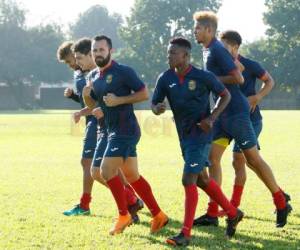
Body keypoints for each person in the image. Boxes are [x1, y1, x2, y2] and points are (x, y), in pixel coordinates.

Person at [193, 11, 291, 228]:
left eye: (198, 28)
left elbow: (237, 78)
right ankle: (211, 213)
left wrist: (209, 79)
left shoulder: (218, 50)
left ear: (209, 30)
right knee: (213, 159)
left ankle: (281, 201)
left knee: (252, 160)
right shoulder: (207, 49)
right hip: (222, 114)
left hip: (237, 113)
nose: (195, 31)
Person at [152, 37, 244, 246]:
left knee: (188, 180)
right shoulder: (165, 78)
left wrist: (211, 118)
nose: (169, 56)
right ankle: (232, 212)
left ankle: (185, 233)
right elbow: (154, 102)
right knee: (202, 180)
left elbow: (225, 94)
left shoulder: (203, 76)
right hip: (184, 137)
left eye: (173, 53)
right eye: (168, 52)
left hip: (201, 137)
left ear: (185, 56)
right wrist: (157, 108)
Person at [83, 35, 168, 235]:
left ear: (110, 51)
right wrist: (87, 97)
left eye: (101, 50)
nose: (97, 54)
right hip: (109, 129)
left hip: (125, 129)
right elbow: (93, 105)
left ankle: (124, 215)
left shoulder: (123, 72)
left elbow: (144, 94)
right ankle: (158, 215)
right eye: (94, 51)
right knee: (131, 175)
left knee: (106, 170)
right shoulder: (93, 76)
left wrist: (119, 100)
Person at [57, 39, 142, 219]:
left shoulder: (98, 73)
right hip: (92, 121)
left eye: (73, 59)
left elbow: (102, 102)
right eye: (71, 61)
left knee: (99, 167)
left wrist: (99, 109)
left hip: (103, 124)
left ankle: (129, 201)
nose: (73, 63)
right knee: (97, 166)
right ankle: (128, 202)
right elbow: (89, 100)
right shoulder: (83, 74)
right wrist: (76, 100)